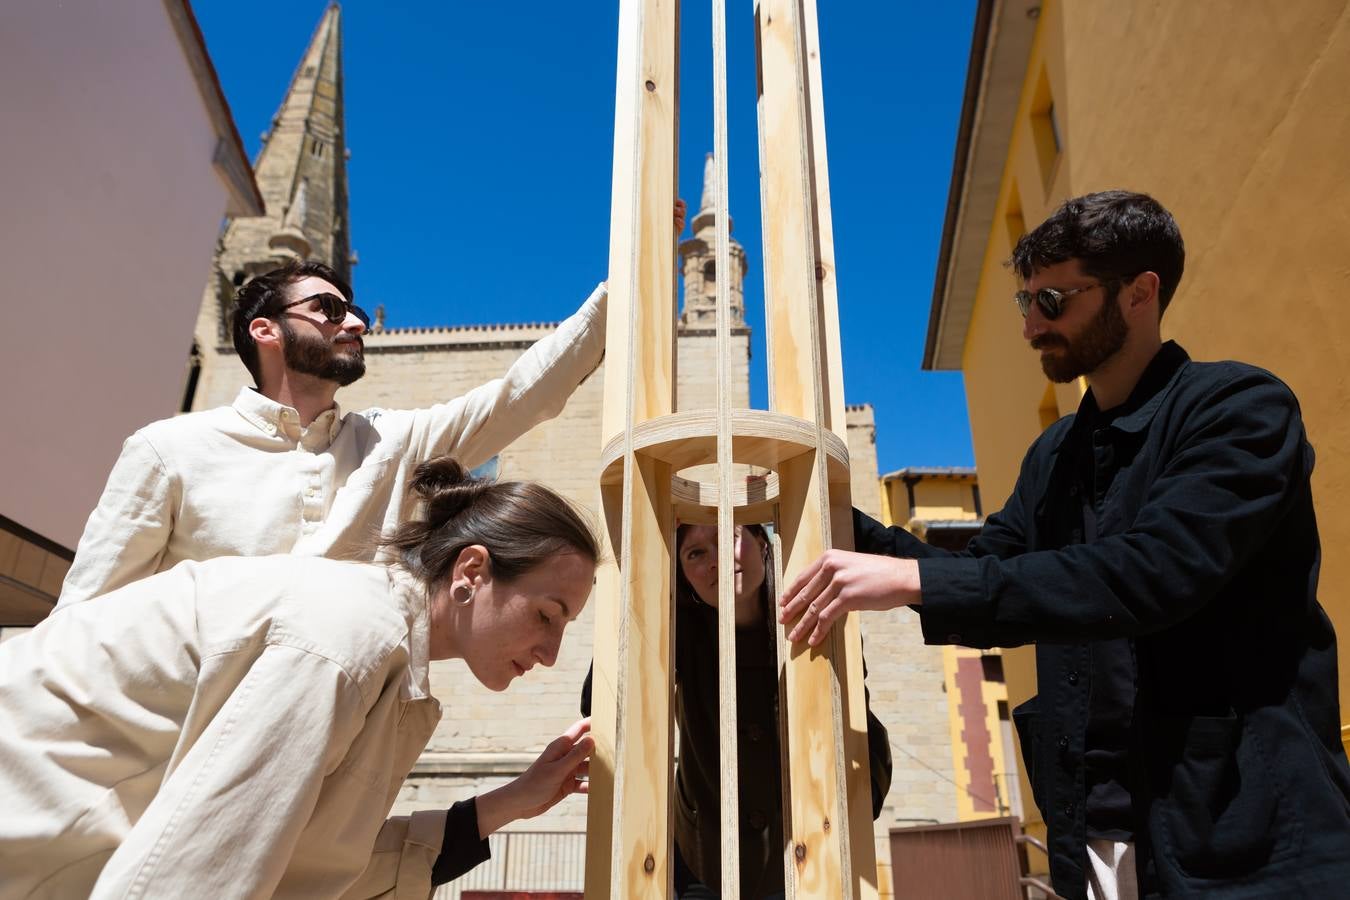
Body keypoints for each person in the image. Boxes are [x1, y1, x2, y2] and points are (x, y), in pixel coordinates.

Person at [778, 191, 1350, 899]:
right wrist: (825, 513)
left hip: (1248, 843)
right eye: (1024, 304)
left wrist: (910, 583)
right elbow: (981, 573)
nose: (1031, 328)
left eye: (1053, 300)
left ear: (1141, 292)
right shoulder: (1056, 456)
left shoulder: (1240, 410)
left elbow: (1150, 574)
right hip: (1098, 844)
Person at [0, 459, 599, 899]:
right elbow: (193, 872)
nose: (551, 652)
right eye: (547, 615)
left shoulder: (381, 648)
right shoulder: (346, 640)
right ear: (472, 570)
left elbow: (299, 864)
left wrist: (513, 801)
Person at [58, 199, 685, 607]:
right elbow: (83, 619)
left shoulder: (390, 443)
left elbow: (520, 396)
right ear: (264, 330)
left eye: (355, 312)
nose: (354, 324)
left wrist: (635, 265)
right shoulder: (167, 450)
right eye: (329, 310)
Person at [583, 523, 892, 899]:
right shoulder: (677, 628)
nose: (715, 561)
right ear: (681, 574)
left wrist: (861, 797)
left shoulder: (819, 617)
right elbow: (601, 702)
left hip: (804, 852)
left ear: (762, 543)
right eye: (694, 553)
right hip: (702, 854)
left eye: (725, 538)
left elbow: (855, 717)